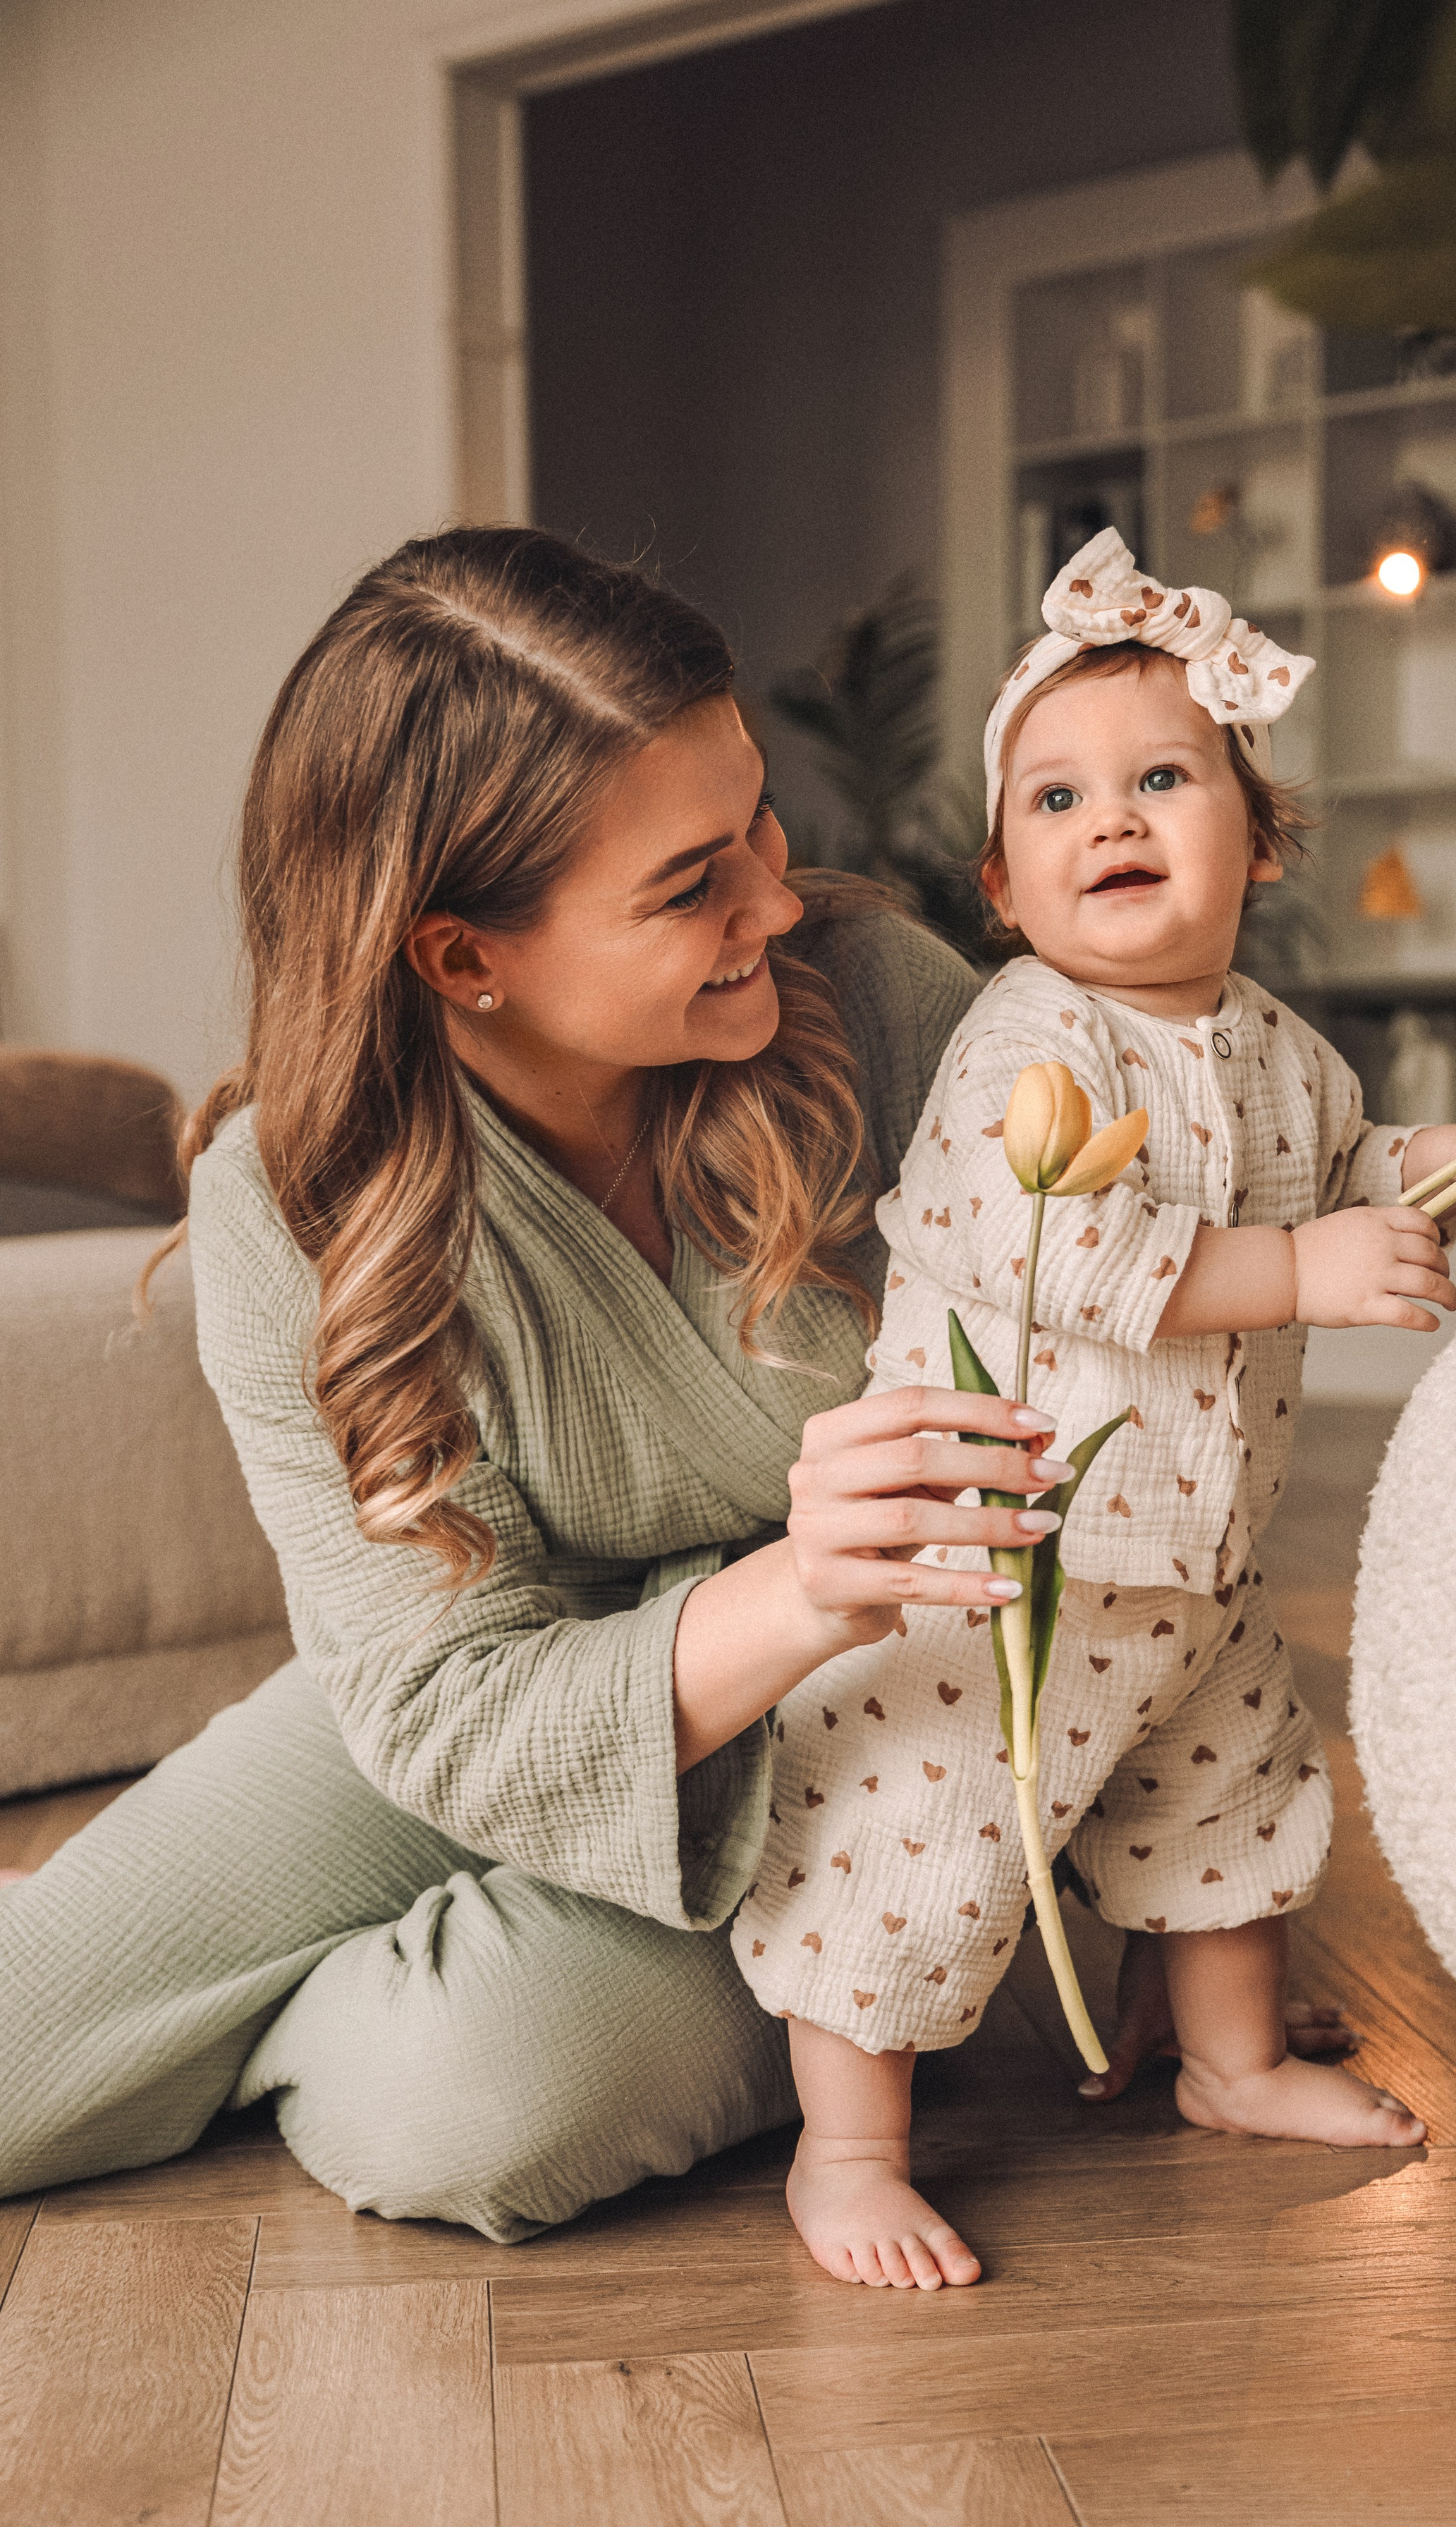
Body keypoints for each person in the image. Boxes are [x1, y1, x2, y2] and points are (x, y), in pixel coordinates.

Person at [0, 527, 1102, 2244]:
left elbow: (1124, 1384)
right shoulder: (285, 1206)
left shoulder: (882, 1007)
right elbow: (437, 1703)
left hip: (873, 1737)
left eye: (756, 820)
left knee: (460, 2108)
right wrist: (792, 1581)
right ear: (462, 958)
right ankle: (252, 1986)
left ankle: (277, 2012)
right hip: (478, 1699)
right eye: (688, 885)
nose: (775, 901)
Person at [735, 528, 1456, 2292]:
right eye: (1057, 799)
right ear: (1003, 886)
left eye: (1161, 778)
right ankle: (845, 2153)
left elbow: (1341, 1161)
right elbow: (1067, 1247)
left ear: (1260, 839)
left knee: (1231, 1809)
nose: (1112, 819)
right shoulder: (1026, 1043)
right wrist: (1300, 1272)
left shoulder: (1280, 1047)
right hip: (998, 1565)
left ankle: (1229, 2065)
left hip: (1198, 1565)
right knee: (915, 1837)